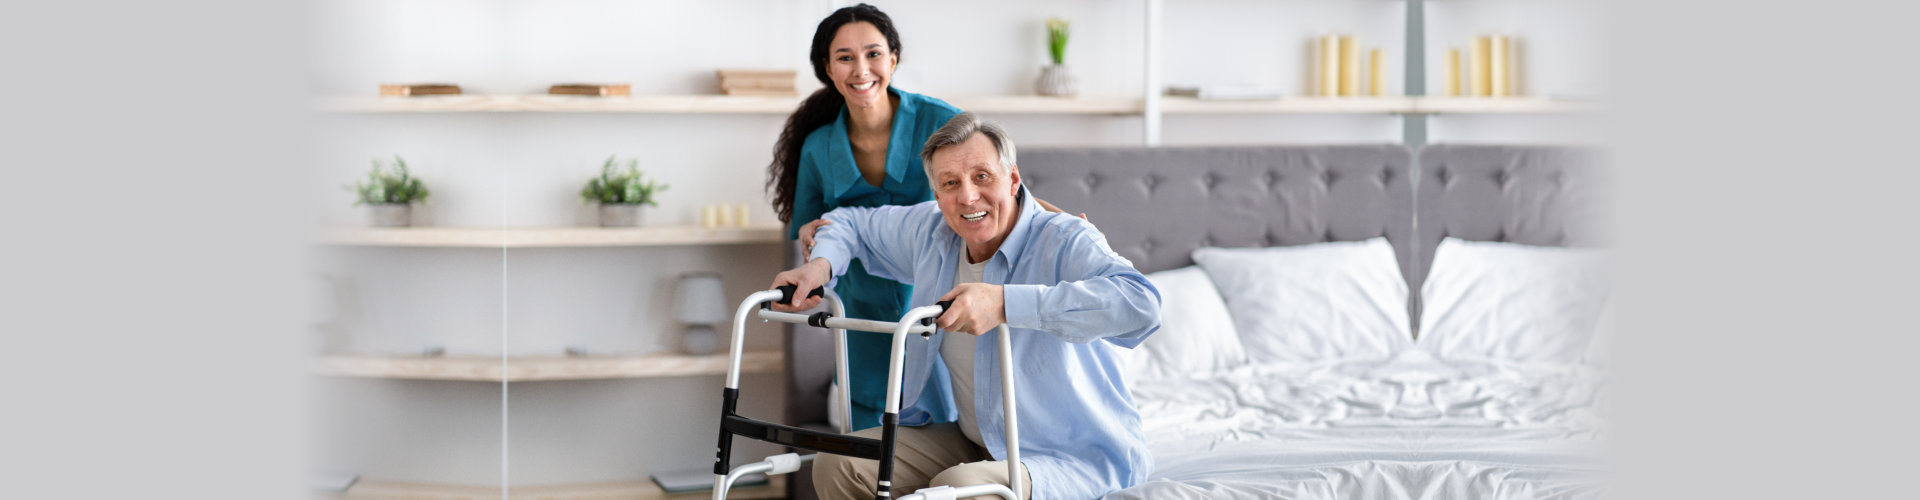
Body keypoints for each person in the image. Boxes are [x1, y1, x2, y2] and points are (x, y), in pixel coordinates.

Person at [770, 113, 1159, 500]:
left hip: (1071, 456)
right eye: (950, 184)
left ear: (1013, 179)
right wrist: (819, 266)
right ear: (937, 196)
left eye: (982, 177)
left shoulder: (1065, 238)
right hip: (974, 440)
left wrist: (1005, 303)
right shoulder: (931, 232)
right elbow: (850, 224)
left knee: (958, 490)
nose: (968, 196)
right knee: (839, 463)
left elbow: (1141, 304)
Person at [766, 3, 1069, 432]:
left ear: (894, 59)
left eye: (873, 54)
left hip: (942, 294)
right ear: (827, 69)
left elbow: (1000, 190)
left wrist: (1060, 224)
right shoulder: (818, 146)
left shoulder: (939, 121)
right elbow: (808, 225)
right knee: (872, 438)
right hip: (862, 302)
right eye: (845, 57)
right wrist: (810, 235)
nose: (861, 69)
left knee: (949, 419)